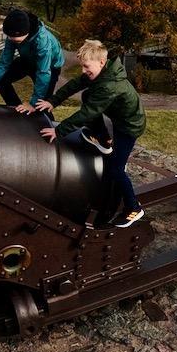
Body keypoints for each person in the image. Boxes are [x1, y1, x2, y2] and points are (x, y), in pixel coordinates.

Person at [36, 39, 146, 228]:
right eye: (82, 66)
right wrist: (53, 101)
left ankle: (134, 208)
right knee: (87, 95)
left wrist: (59, 130)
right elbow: (75, 85)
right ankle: (104, 140)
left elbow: (88, 114)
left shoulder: (109, 85)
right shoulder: (100, 73)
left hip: (129, 127)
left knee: (116, 169)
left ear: (101, 62)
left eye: (86, 66)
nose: (83, 71)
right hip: (119, 118)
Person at [0, 9, 65, 113]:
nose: (11, 40)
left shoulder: (42, 41)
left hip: (50, 66)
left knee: (41, 105)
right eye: (9, 37)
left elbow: (43, 73)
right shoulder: (12, 36)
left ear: (26, 32)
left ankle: (47, 123)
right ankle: (16, 110)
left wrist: (33, 104)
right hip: (27, 60)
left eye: (15, 39)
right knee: (2, 80)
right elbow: (3, 64)